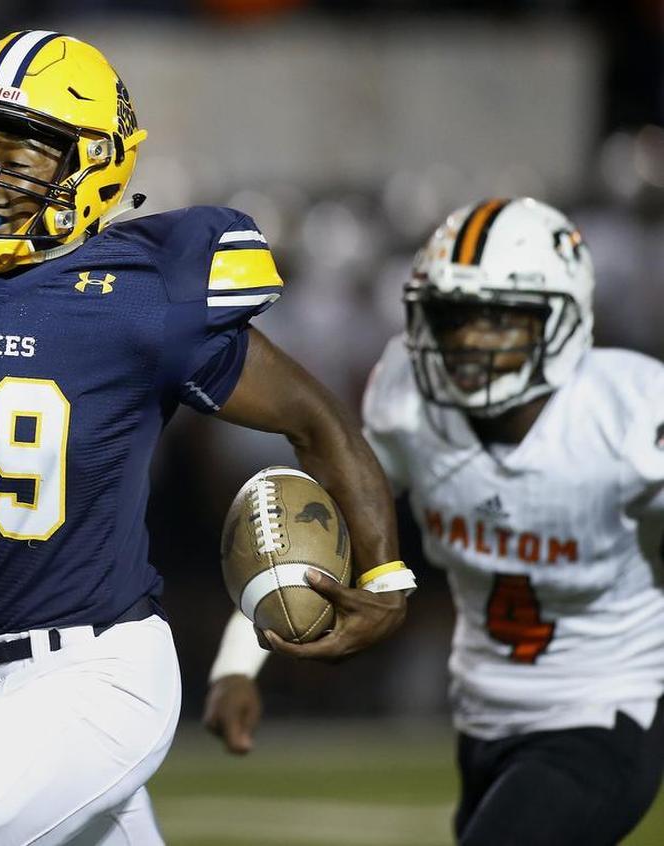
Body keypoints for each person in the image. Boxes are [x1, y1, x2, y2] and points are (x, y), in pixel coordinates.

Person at [0, 31, 409, 846]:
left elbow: (315, 419)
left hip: (100, 676)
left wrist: (386, 577)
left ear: (94, 167)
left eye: (18, 156)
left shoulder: (142, 295)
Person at [204, 198, 664, 845]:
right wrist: (236, 665)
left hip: (606, 709)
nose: (469, 341)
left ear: (562, 321)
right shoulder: (411, 401)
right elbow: (309, 535)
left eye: (497, 319)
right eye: (453, 316)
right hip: (481, 716)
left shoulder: (632, 413)